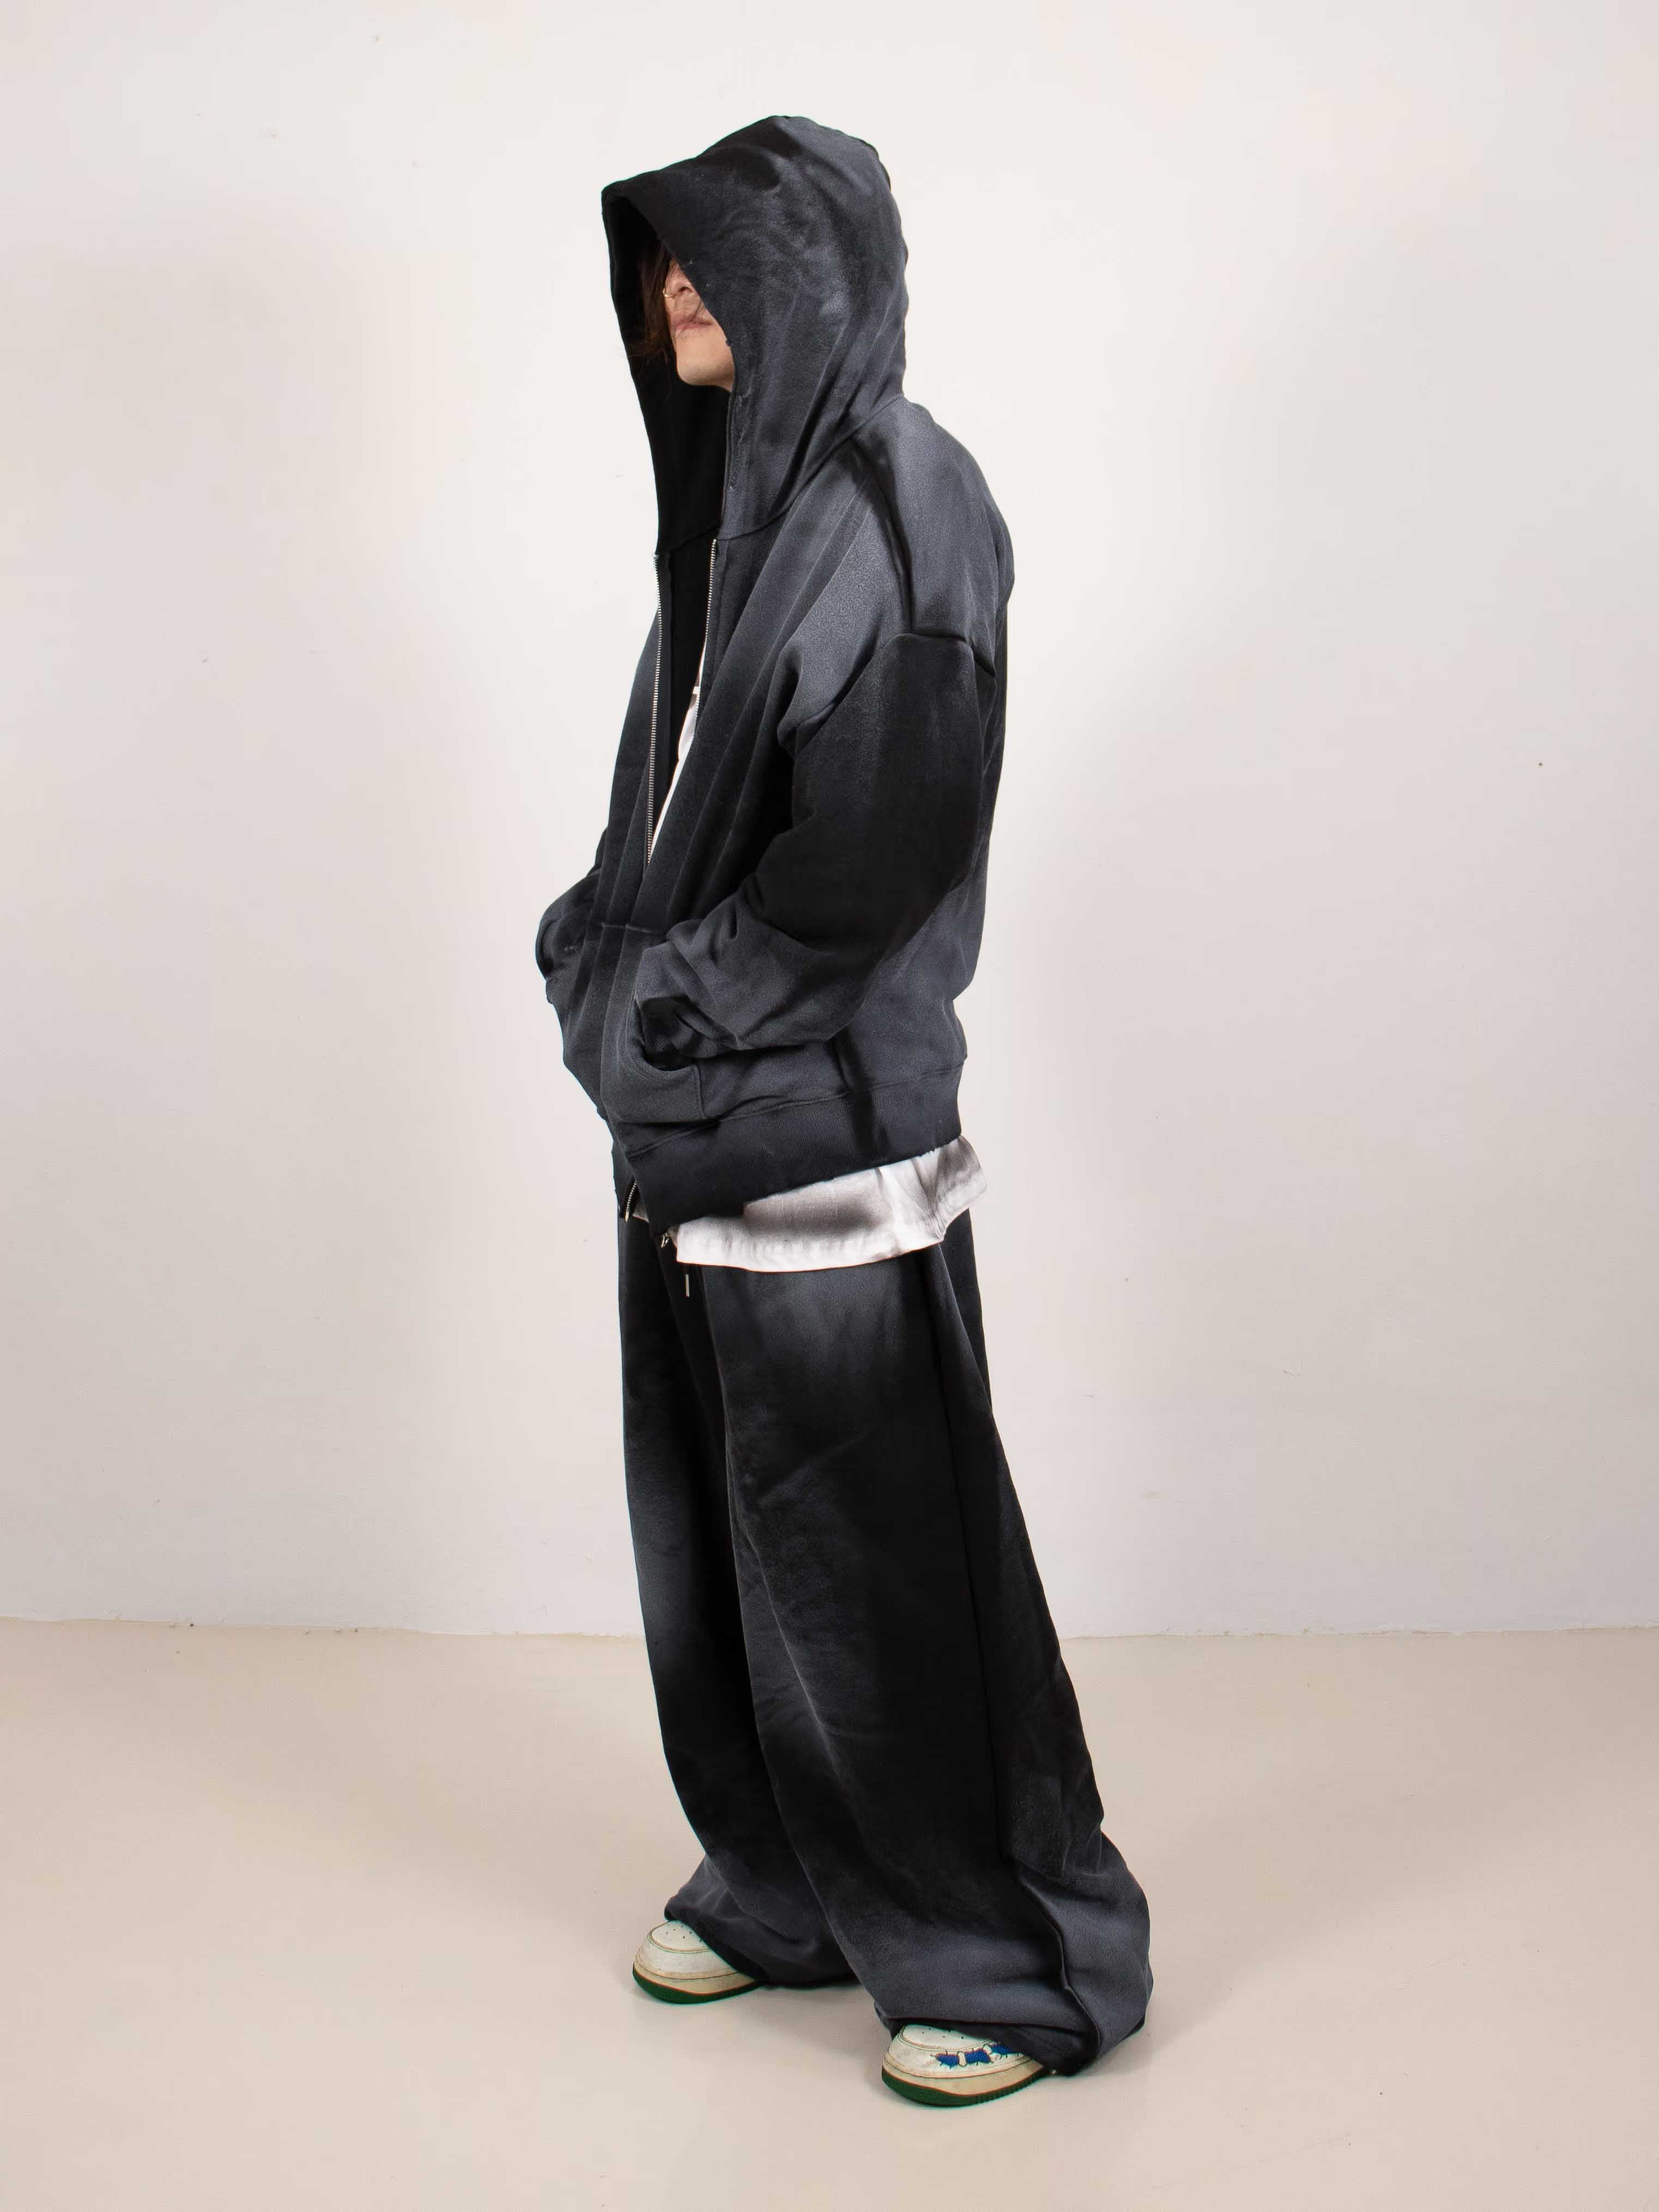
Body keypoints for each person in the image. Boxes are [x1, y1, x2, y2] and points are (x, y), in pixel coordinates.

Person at [535, 114, 1152, 2108]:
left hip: (820, 1134)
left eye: (716, 254)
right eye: (658, 256)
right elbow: (665, 806)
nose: (675, 284)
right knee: (715, 1550)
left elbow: (870, 864)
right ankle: (789, 1884)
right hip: (690, 1134)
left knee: (878, 1571)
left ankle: (1011, 1961)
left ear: (820, 278)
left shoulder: (904, 496)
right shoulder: (734, 502)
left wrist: (652, 1014)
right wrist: (589, 953)